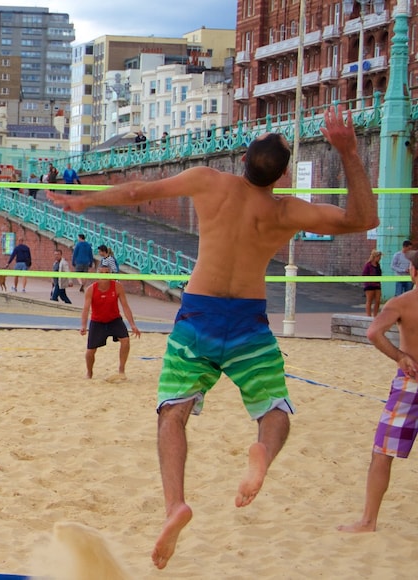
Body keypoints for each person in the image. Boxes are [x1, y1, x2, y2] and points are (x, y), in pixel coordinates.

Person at [47, 105, 378, 570]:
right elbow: (362, 219)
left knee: (172, 414)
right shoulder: (285, 211)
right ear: (282, 178)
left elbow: (139, 190)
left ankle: (175, 505)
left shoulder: (209, 181)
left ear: (242, 159)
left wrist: (87, 200)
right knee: (275, 411)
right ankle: (262, 450)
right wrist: (347, 150)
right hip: (248, 321)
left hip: (199, 315)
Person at [338, 252, 418, 533]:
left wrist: (400, 356)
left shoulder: (402, 303)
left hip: (411, 382)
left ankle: (368, 521)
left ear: (413, 272)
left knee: (382, 452)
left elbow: (374, 332)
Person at [80, 262, 140, 380]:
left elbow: (125, 306)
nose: (104, 275)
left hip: (114, 320)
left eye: (107, 273)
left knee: (126, 340)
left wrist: (132, 324)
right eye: (101, 273)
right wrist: (83, 326)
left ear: (111, 274)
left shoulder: (117, 287)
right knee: (90, 351)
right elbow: (86, 309)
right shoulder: (91, 289)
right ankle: (89, 372)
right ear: (97, 274)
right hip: (97, 322)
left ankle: (121, 370)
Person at [362, 249, 383, 317]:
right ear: (374, 257)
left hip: (377, 284)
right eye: (378, 257)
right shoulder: (368, 265)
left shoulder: (378, 265)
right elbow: (364, 274)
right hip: (369, 285)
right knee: (369, 300)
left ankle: (375, 315)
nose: (379, 259)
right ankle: (368, 316)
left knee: (378, 300)